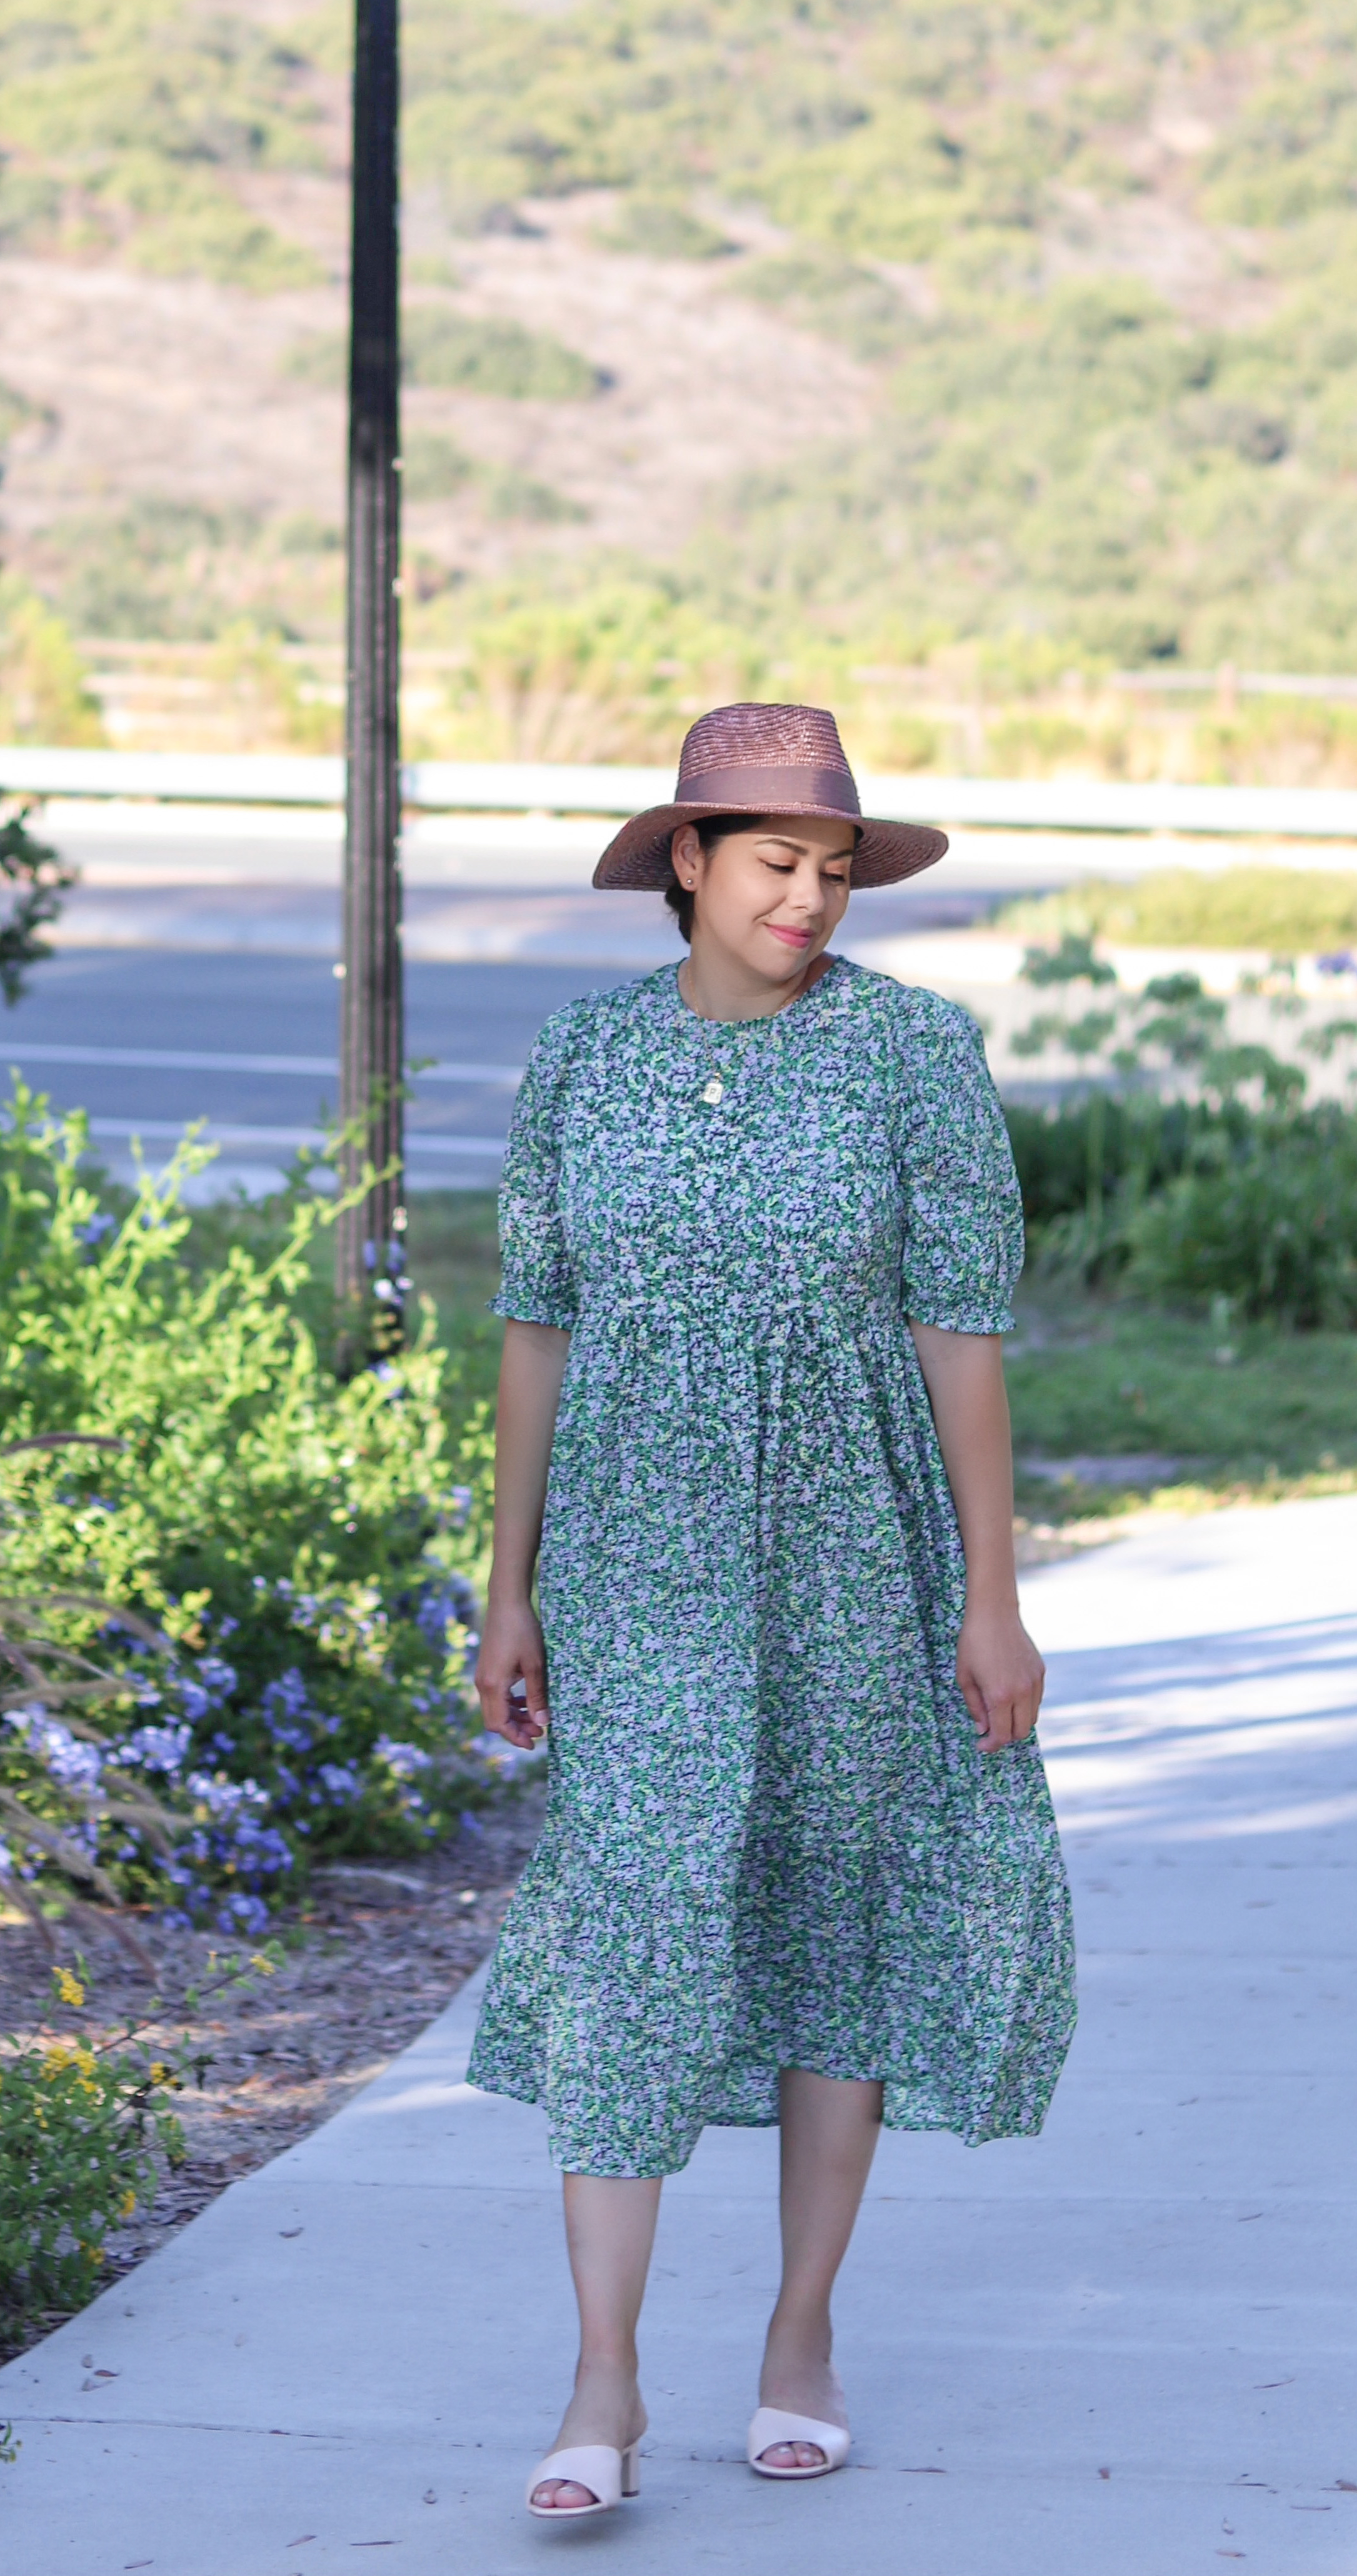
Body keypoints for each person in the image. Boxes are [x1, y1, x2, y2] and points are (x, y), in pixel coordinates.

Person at [466, 700, 1074, 2522]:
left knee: (832, 1917)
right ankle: (601, 2381)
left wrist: (991, 1598)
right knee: (633, 1928)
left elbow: (961, 1339)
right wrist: (504, 1587)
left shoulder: (912, 1056)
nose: (805, 897)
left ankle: (800, 2333)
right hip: (634, 1557)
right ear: (685, 864)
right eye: (770, 863)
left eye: (829, 868)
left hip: (853, 1550)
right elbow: (534, 1330)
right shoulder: (583, 1060)